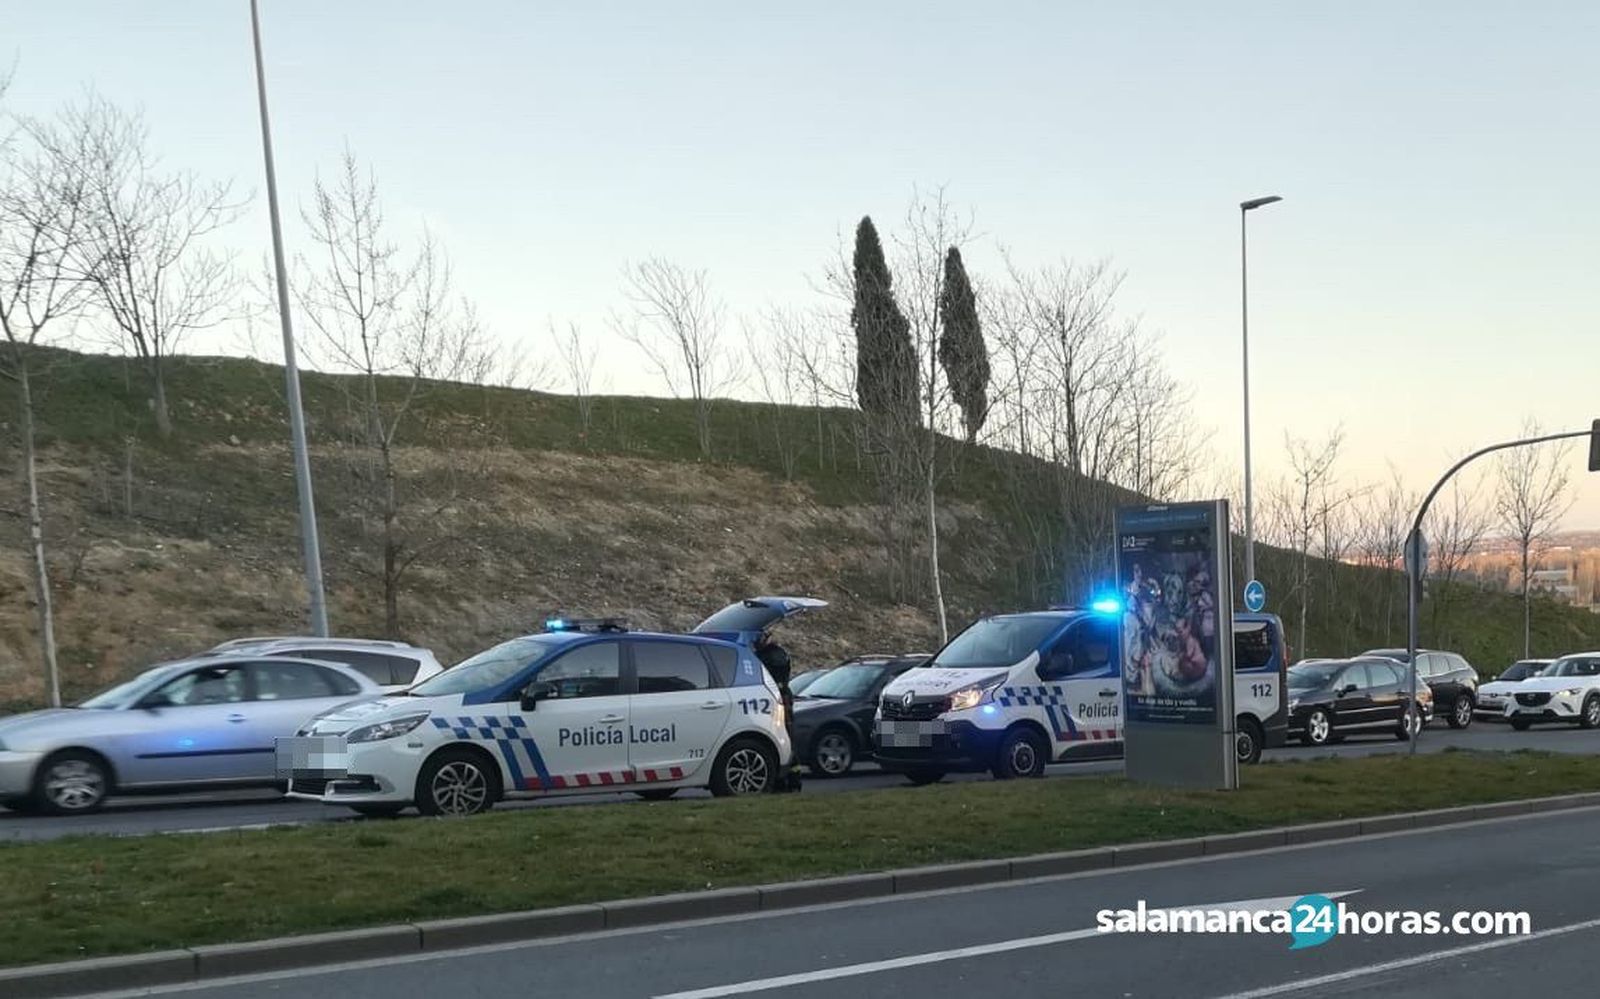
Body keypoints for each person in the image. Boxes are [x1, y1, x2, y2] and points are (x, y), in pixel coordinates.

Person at [754, 629, 802, 792]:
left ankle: (792, 781)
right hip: (776, 697)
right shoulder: (771, 654)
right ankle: (784, 780)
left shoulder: (774, 655)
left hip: (779, 698)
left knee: (785, 738)